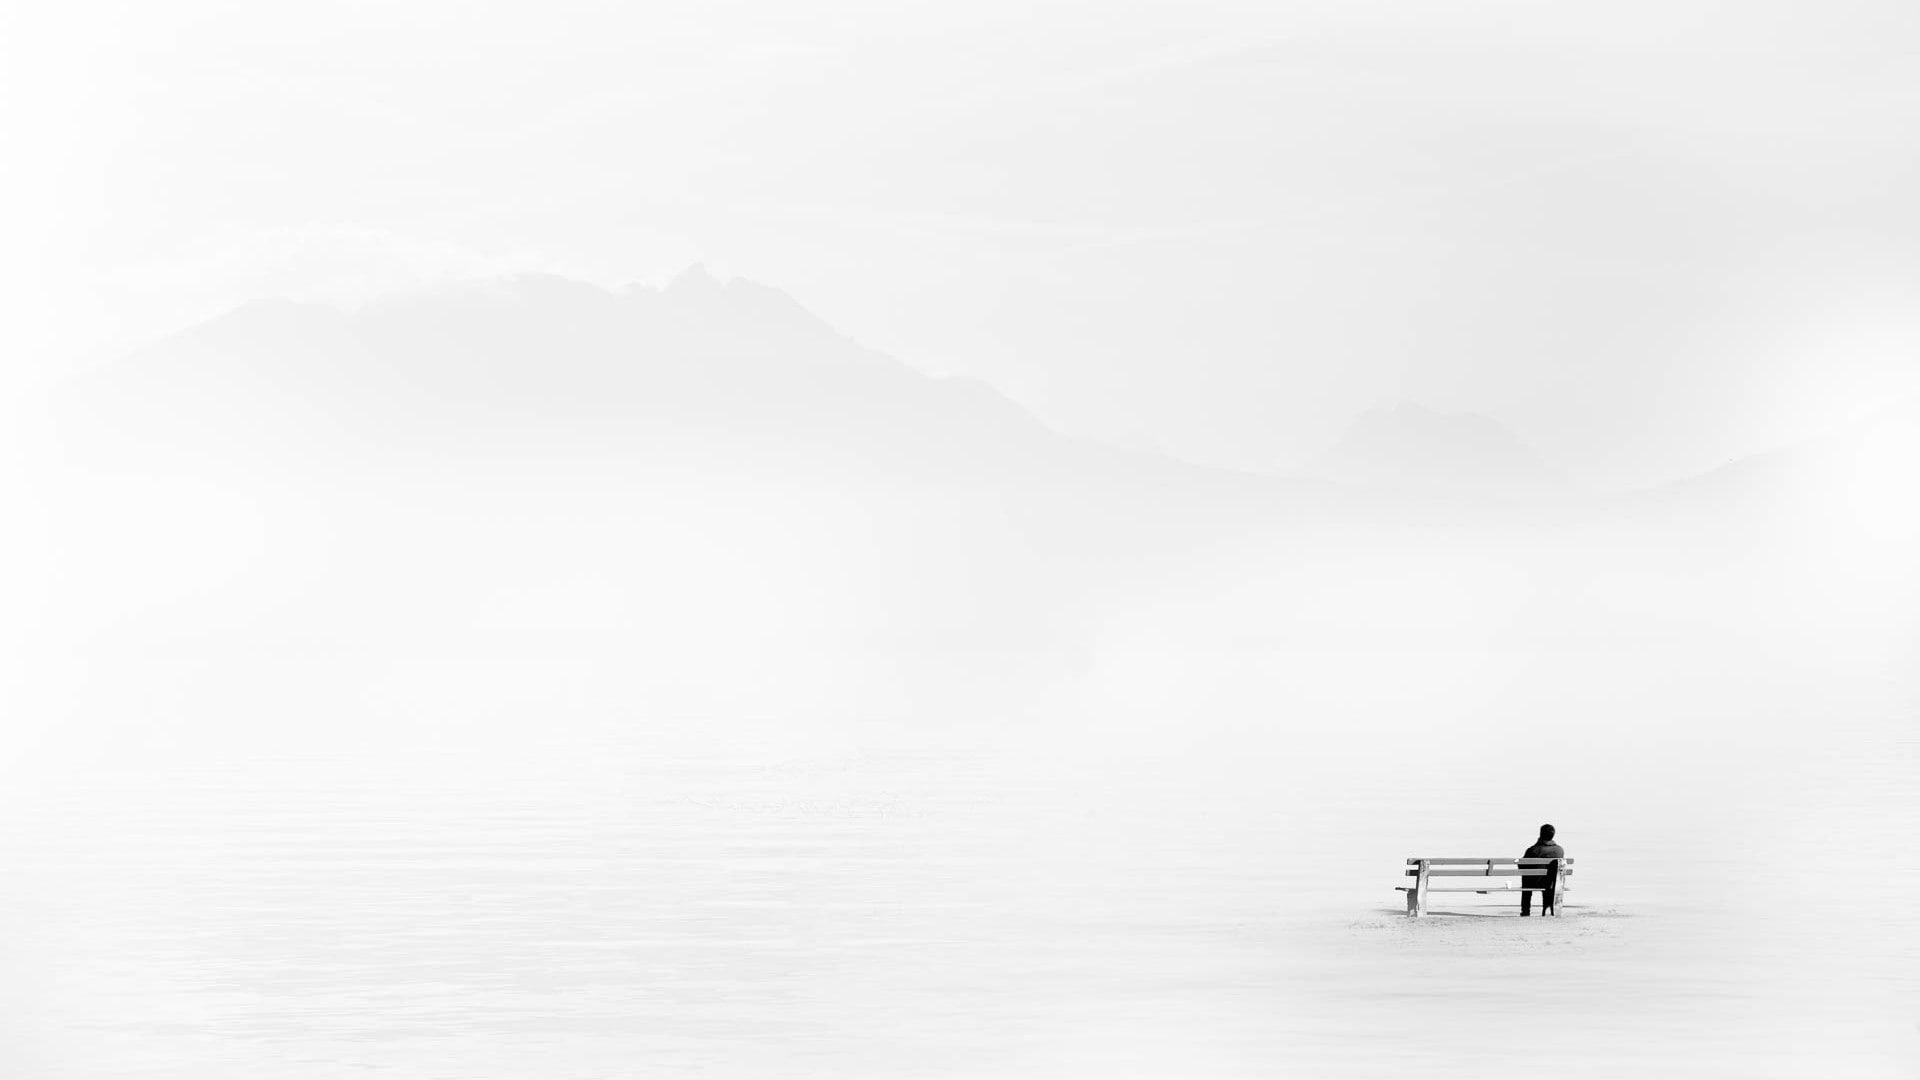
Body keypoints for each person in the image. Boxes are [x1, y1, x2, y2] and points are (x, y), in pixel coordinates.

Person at [1520, 824, 1564, 916]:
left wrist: (1537, 843)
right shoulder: (1560, 850)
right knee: (1548, 879)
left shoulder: (1533, 850)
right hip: (1553, 883)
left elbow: (1521, 867)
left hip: (1534, 882)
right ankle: (1548, 909)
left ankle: (1525, 910)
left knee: (1526, 879)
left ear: (1540, 834)